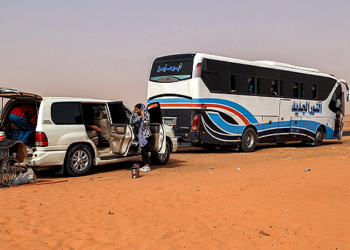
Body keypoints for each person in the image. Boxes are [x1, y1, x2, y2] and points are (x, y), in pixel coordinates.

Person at [130, 103, 152, 172]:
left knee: (145, 151)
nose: (136, 111)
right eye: (135, 109)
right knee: (143, 151)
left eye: (137, 110)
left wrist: (143, 116)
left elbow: (146, 124)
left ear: (141, 109)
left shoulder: (146, 115)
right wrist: (133, 114)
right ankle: (145, 165)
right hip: (140, 136)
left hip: (146, 136)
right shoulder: (137, 116)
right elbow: (131, 122)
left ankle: (147, 166)